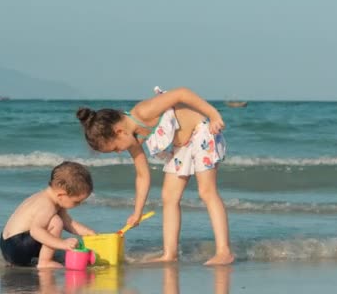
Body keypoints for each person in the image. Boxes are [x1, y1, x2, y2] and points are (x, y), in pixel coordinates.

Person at [76, 87, 234, 265]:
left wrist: (213, 115)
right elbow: (142, 176)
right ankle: (170, 254)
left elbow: (181, 93)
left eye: (115, 148)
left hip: (203, 131)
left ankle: (224, 251)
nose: (120, 152)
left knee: (206, 191)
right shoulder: (132, 138)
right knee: (168, 197)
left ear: (119, 131)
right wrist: (137, 212)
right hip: (181, 146)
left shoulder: (144, 111)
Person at [0, 161, 96, 269]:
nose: (79, 205)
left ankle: (41, 258)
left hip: (8, 244)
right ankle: (45, 261)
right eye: (76, 201)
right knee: (56, 222)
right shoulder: (46, 205)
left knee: (58, 221)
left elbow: (68, 223)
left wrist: (88, 232)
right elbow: (36, 231)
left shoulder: (54, 199)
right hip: (17, 246)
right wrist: (62, 244)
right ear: (61, 195)